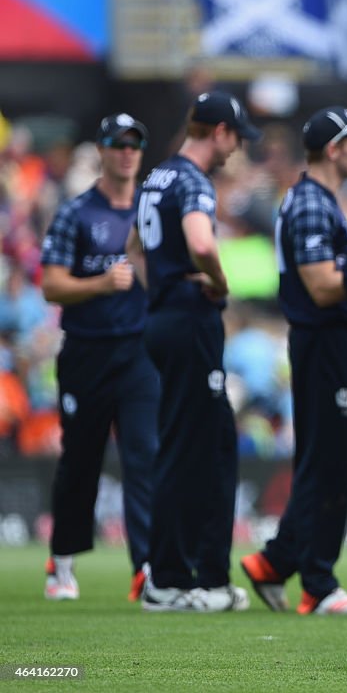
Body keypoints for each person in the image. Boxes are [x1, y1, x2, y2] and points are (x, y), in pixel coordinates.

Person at [240, 105, 347, 616]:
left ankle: (276, 562)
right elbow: (323, 286)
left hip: (331, 343)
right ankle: (317, 583)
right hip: (322, 343)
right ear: (334, 148)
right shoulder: (310, 204)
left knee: (332, 459)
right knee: (329, 462)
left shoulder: (320, 201)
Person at [128, 90, 260, 612]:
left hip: (164, 315)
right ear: (219, 132)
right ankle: (171, 578)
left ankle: (199, 575)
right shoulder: (190, 181)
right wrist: (216, 283)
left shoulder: (155, 177)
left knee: (206, 440)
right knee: (195, 446)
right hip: (189, 316)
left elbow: (134, 250)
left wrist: (159, 292)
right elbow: (202, 243)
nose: (235, 150)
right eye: (235, 138)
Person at [40, 114, 158, 602]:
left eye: (134, 144)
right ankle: (61, 562)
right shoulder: (77, 213)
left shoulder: (151, 214)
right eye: (118, 144)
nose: (126, 152)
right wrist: (101, 283)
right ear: (102, 150)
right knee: (81, 460)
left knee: (144, 456)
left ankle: (147, 568)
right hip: (87, 351)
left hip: (139, 352)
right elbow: (51, 284)